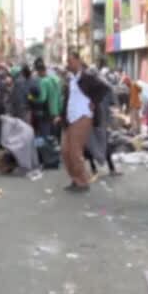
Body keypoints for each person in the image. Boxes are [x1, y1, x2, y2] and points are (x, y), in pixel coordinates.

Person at [61, 51, 105, 192]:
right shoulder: (71, 79)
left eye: (71, 61)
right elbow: (68, 100)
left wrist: (94, 102)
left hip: (82, 116)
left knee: (75, 151)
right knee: (65, 151)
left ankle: (82, 181)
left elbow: (104, 89)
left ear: (79, 61)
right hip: (70, 118)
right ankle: (75, 178)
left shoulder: (87, 77)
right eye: (68, 61)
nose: (69, 64)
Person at [31, 58, 62, 138]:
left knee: (45, 135)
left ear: (40, 71)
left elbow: (42, 99)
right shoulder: (56, 79)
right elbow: (60, 95)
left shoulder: (44, 81)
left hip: (47, 112)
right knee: (54, 135)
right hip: (57, 111)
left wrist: (32, 98)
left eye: (38, 72)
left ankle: (46, 150)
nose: (37, 74)